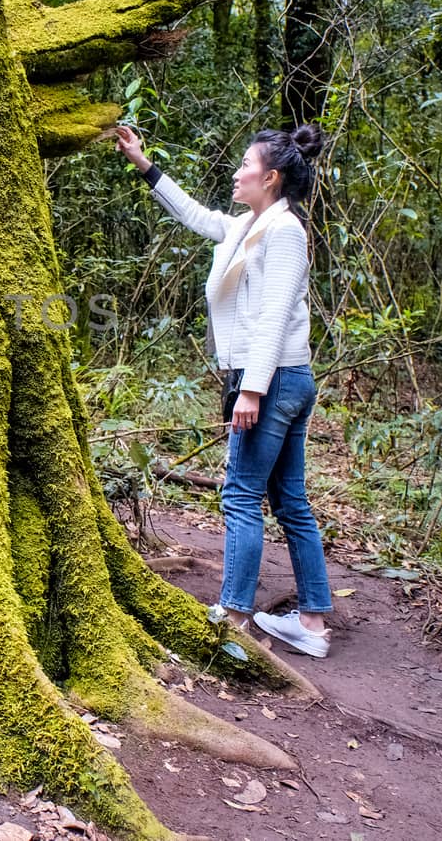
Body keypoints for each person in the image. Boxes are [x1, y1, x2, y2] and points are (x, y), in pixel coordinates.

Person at [114, 122, 334, 658]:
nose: (236, 174)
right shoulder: (249, 225)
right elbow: (195, 215)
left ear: (272, 177)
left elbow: (276, 316)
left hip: (273, 380)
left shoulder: (285, 232)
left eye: (245, 166)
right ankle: (312, 623)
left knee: (240, 495)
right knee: (290, 501)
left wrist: (251, 392)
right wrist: (143, 163)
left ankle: (232, 617)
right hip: (285, 379)